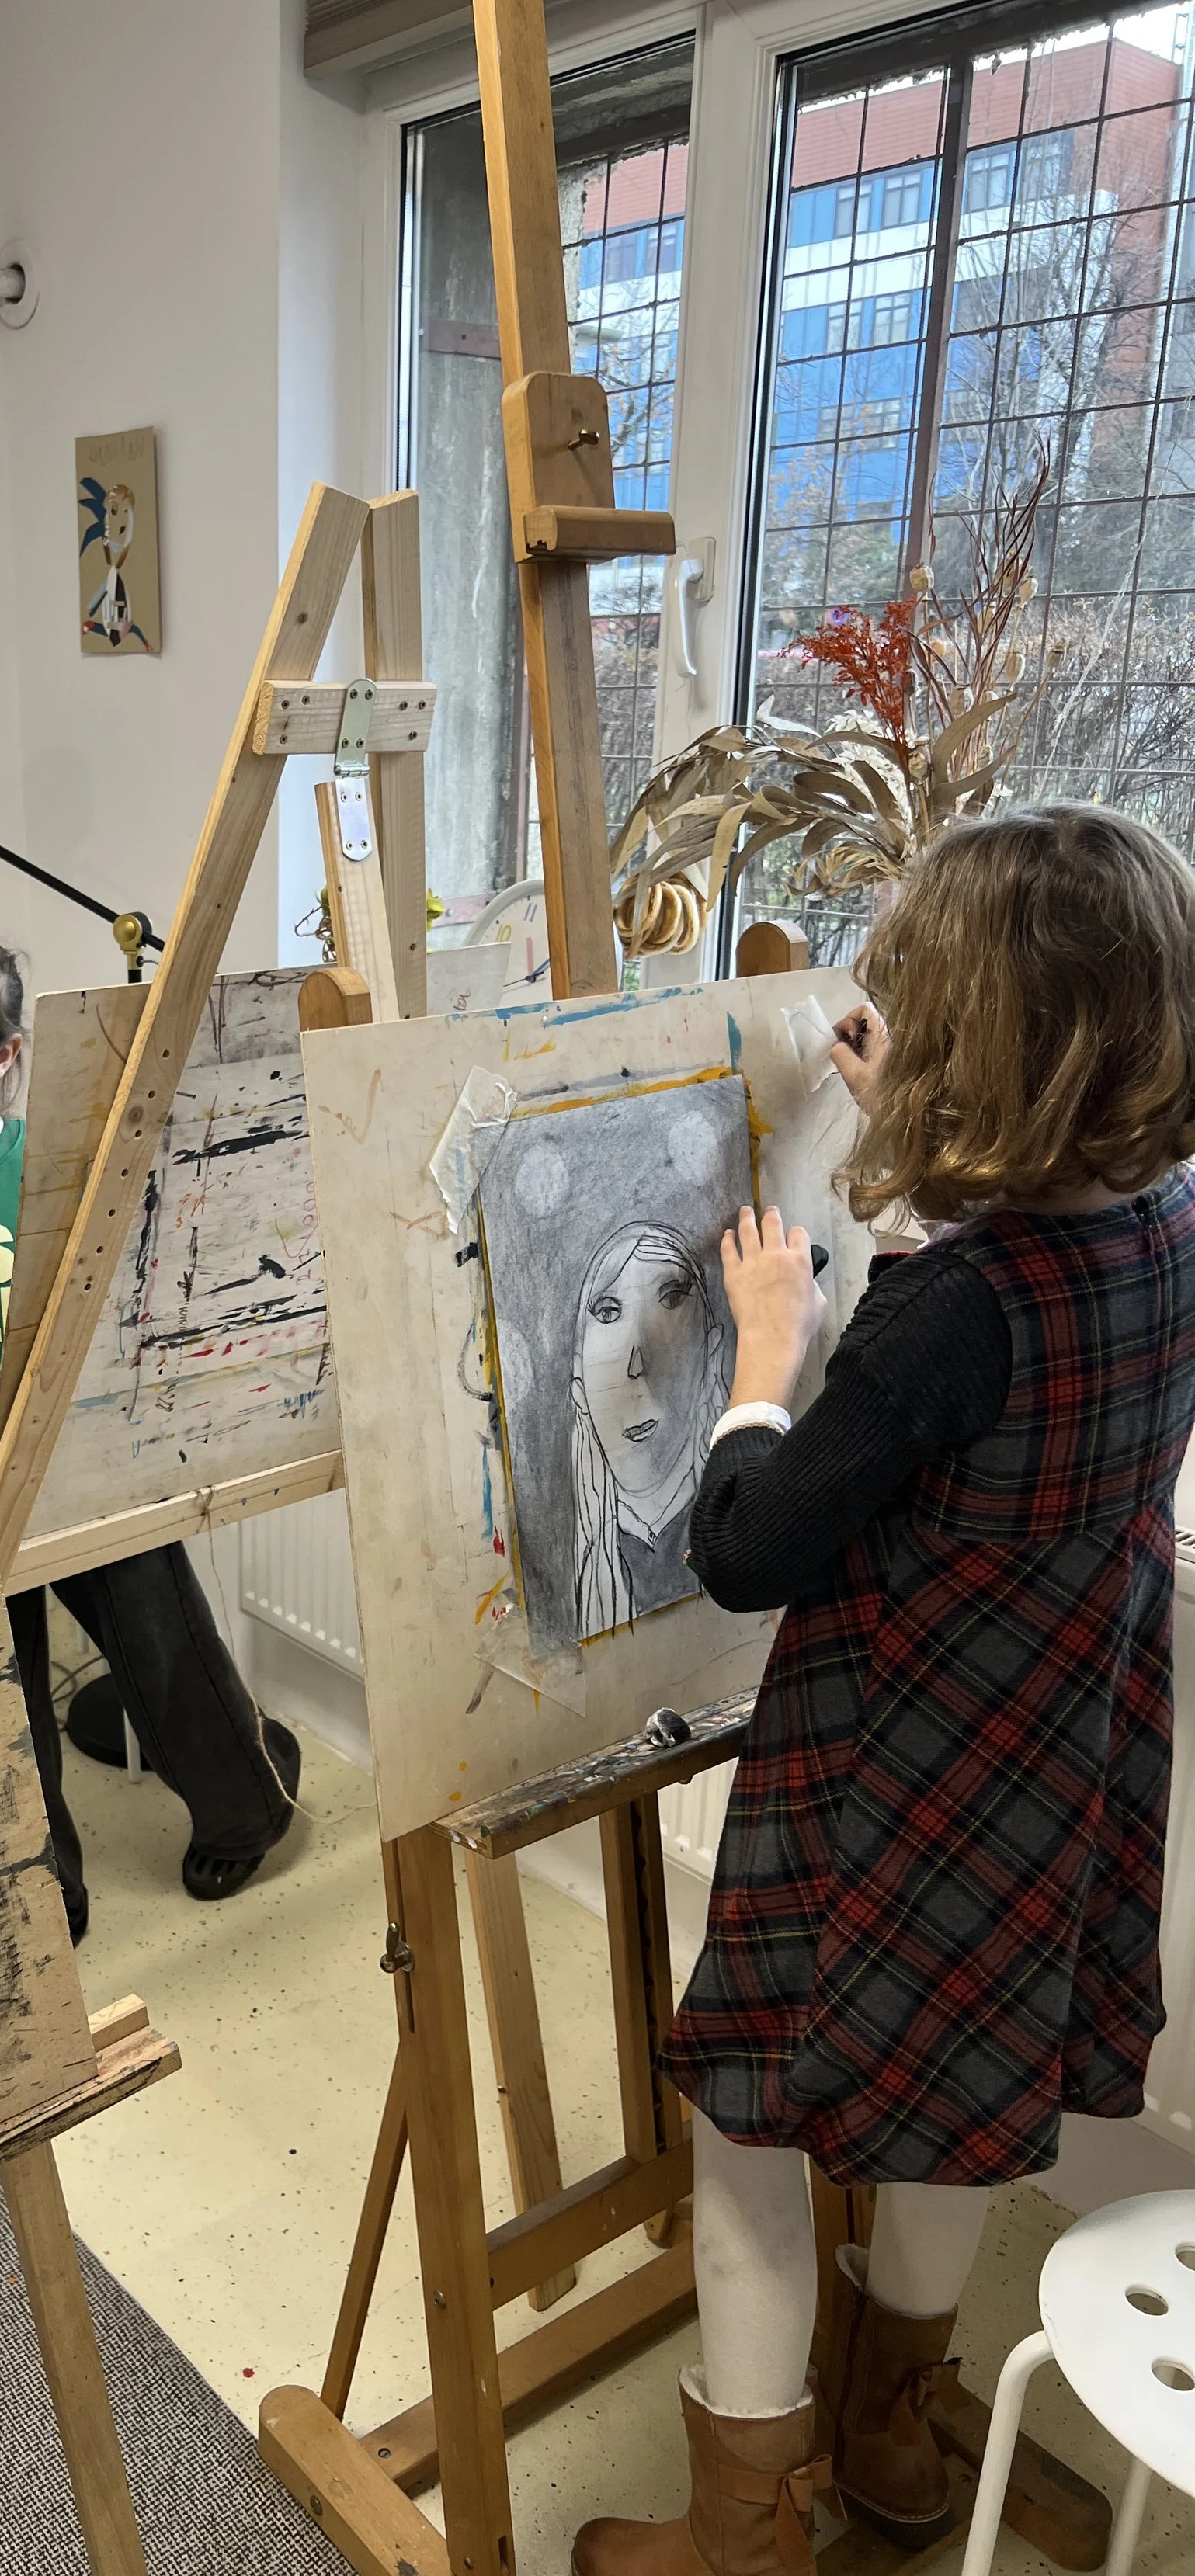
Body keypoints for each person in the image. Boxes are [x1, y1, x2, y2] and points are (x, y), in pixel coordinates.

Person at [573, 804, 1195, 2576]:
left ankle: (751, 2528)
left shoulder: (951, 1313)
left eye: (917, 1002)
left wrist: (768, 1352)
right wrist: (929, 1160)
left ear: (998, 1042)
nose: (885, 1024)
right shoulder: (1168, 1215)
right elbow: (1017, 1327)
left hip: (893, 1771)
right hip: (1054, 1757)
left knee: (755, 2116)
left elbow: (755, 1541)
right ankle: (895, 2441)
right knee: (957, 2102)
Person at [0, 923, 299, 1943]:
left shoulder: (43, 1169)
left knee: (169, 1654)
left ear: (6, 1055)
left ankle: (249, 1809)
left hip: (75, 1468)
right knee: (1, 1705)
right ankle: (45, 1891)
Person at [570, 1220, 728, 1637]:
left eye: (672, 1299)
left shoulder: (735, 1530)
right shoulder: (592, 1570)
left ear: (712, 1358)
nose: (636, 1364)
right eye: (607, 1312)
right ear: (580, 1391)